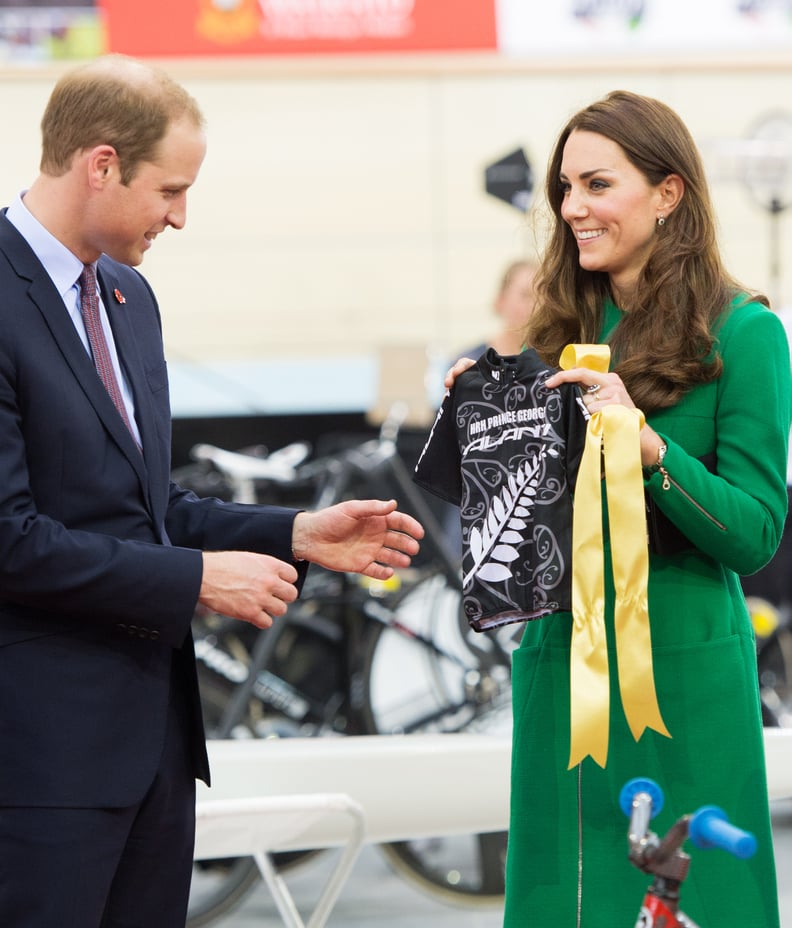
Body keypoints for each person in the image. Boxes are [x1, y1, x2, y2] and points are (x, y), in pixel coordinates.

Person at [0, 55, 423, 928]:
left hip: (154, 749)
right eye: (171, 190)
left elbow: (148, 510)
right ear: (102, 164)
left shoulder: (129, 297)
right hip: (38, 764)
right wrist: (196, 580)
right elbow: (12, 539)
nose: (181, 218)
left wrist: (297, 533)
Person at [442, 90, 789, 927]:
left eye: (597, 184)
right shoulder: (550, 334)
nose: (573, 209)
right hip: (559, 662)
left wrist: (653, 454)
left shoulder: (746, 334)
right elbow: (514, 527)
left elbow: (753, 534)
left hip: (685, 673)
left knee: (698, 899)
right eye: (565, 189)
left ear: (669, 193)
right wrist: (482, 426)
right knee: (562, 898)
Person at [454, 258, 539, 362]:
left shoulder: (551, 366)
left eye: (541, 297)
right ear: (501, 300)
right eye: (526, 295)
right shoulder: (470, 364)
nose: (536, 305)